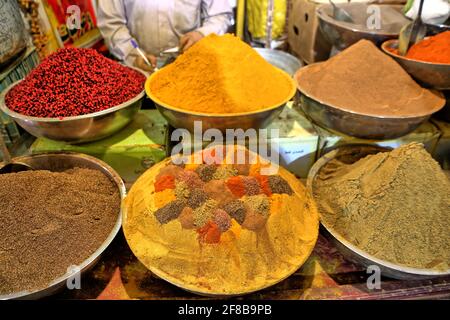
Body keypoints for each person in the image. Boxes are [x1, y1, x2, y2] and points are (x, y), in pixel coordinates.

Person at [97, 0, 233, 72]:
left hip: (190, 67)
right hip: (138, 69)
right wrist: (131, 52)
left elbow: (220, 15)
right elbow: (111, 23)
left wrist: (201, 34)